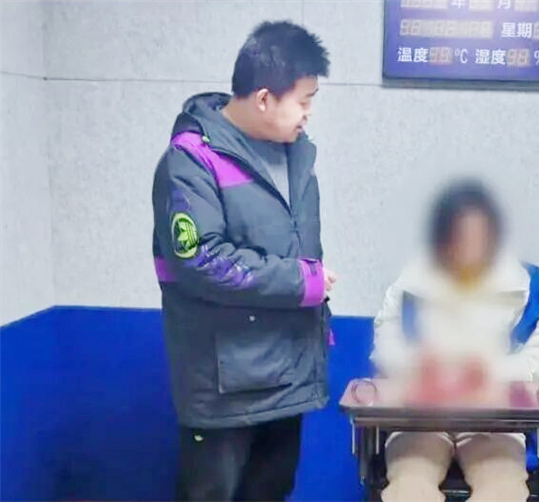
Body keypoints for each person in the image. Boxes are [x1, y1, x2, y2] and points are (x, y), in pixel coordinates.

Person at [150, 21, 334, 501]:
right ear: (264, 98)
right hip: (223, 389)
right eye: (304, 100)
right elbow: (200, 259)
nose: (309, 113)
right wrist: (302, 283)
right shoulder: (192, 161)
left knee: (272, 492)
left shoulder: (297, 158)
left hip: (288, 375)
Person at [371, 179, 539, 502]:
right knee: (408, 488)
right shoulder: (413, 282)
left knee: (502, 490)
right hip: (420, 419)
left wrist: (491, 372)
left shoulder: (524, 287)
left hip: (495, 422)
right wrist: (418, 366)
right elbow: (386, 344)